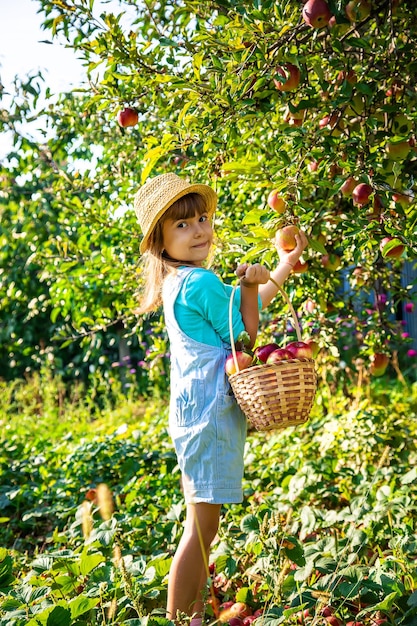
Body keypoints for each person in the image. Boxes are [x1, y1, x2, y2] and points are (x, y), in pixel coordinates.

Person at [134, 172, 308, 625]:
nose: (199, 231)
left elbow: (252, 301)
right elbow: (245, 337)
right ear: (160, 240)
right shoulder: (201, 282)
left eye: (202, 219)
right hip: (210, 415)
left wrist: (280, 264)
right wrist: (249, 287)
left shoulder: (180, 281)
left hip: (191, 413)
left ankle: (193, 614)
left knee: (199, 521)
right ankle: (177, 617)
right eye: (182, 225)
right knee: (202, 527)